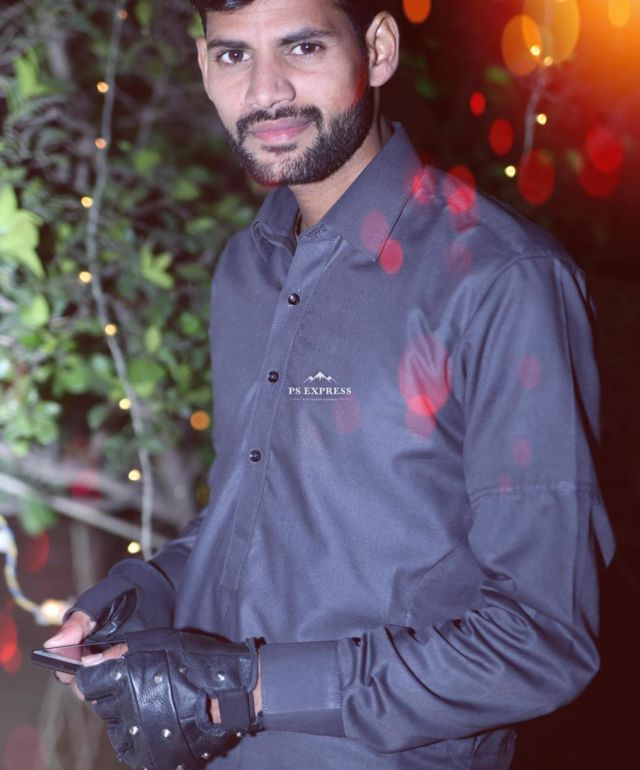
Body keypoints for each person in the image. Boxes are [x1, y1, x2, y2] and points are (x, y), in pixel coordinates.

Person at [44, 1, 615, 768]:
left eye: (303, 47)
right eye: (234, 55)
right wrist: (144, 594)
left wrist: (246, 688)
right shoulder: (246, 268)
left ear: (377, 50)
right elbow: (255, 517)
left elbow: (541, 639)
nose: (265, 91)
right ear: (204, 65)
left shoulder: (500, 280)